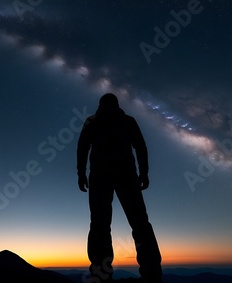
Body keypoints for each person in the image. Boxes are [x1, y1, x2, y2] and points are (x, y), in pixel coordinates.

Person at [77, 93, 163, 283]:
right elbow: (83, 147)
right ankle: (150, 274)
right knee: (131, 224)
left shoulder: (101, 122)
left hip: (113, 176)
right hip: (115, 176)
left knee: (113, 225)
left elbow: (140, 146)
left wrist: (144, 172)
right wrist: (144, 172)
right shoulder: (122, 121)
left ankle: (106, 274)